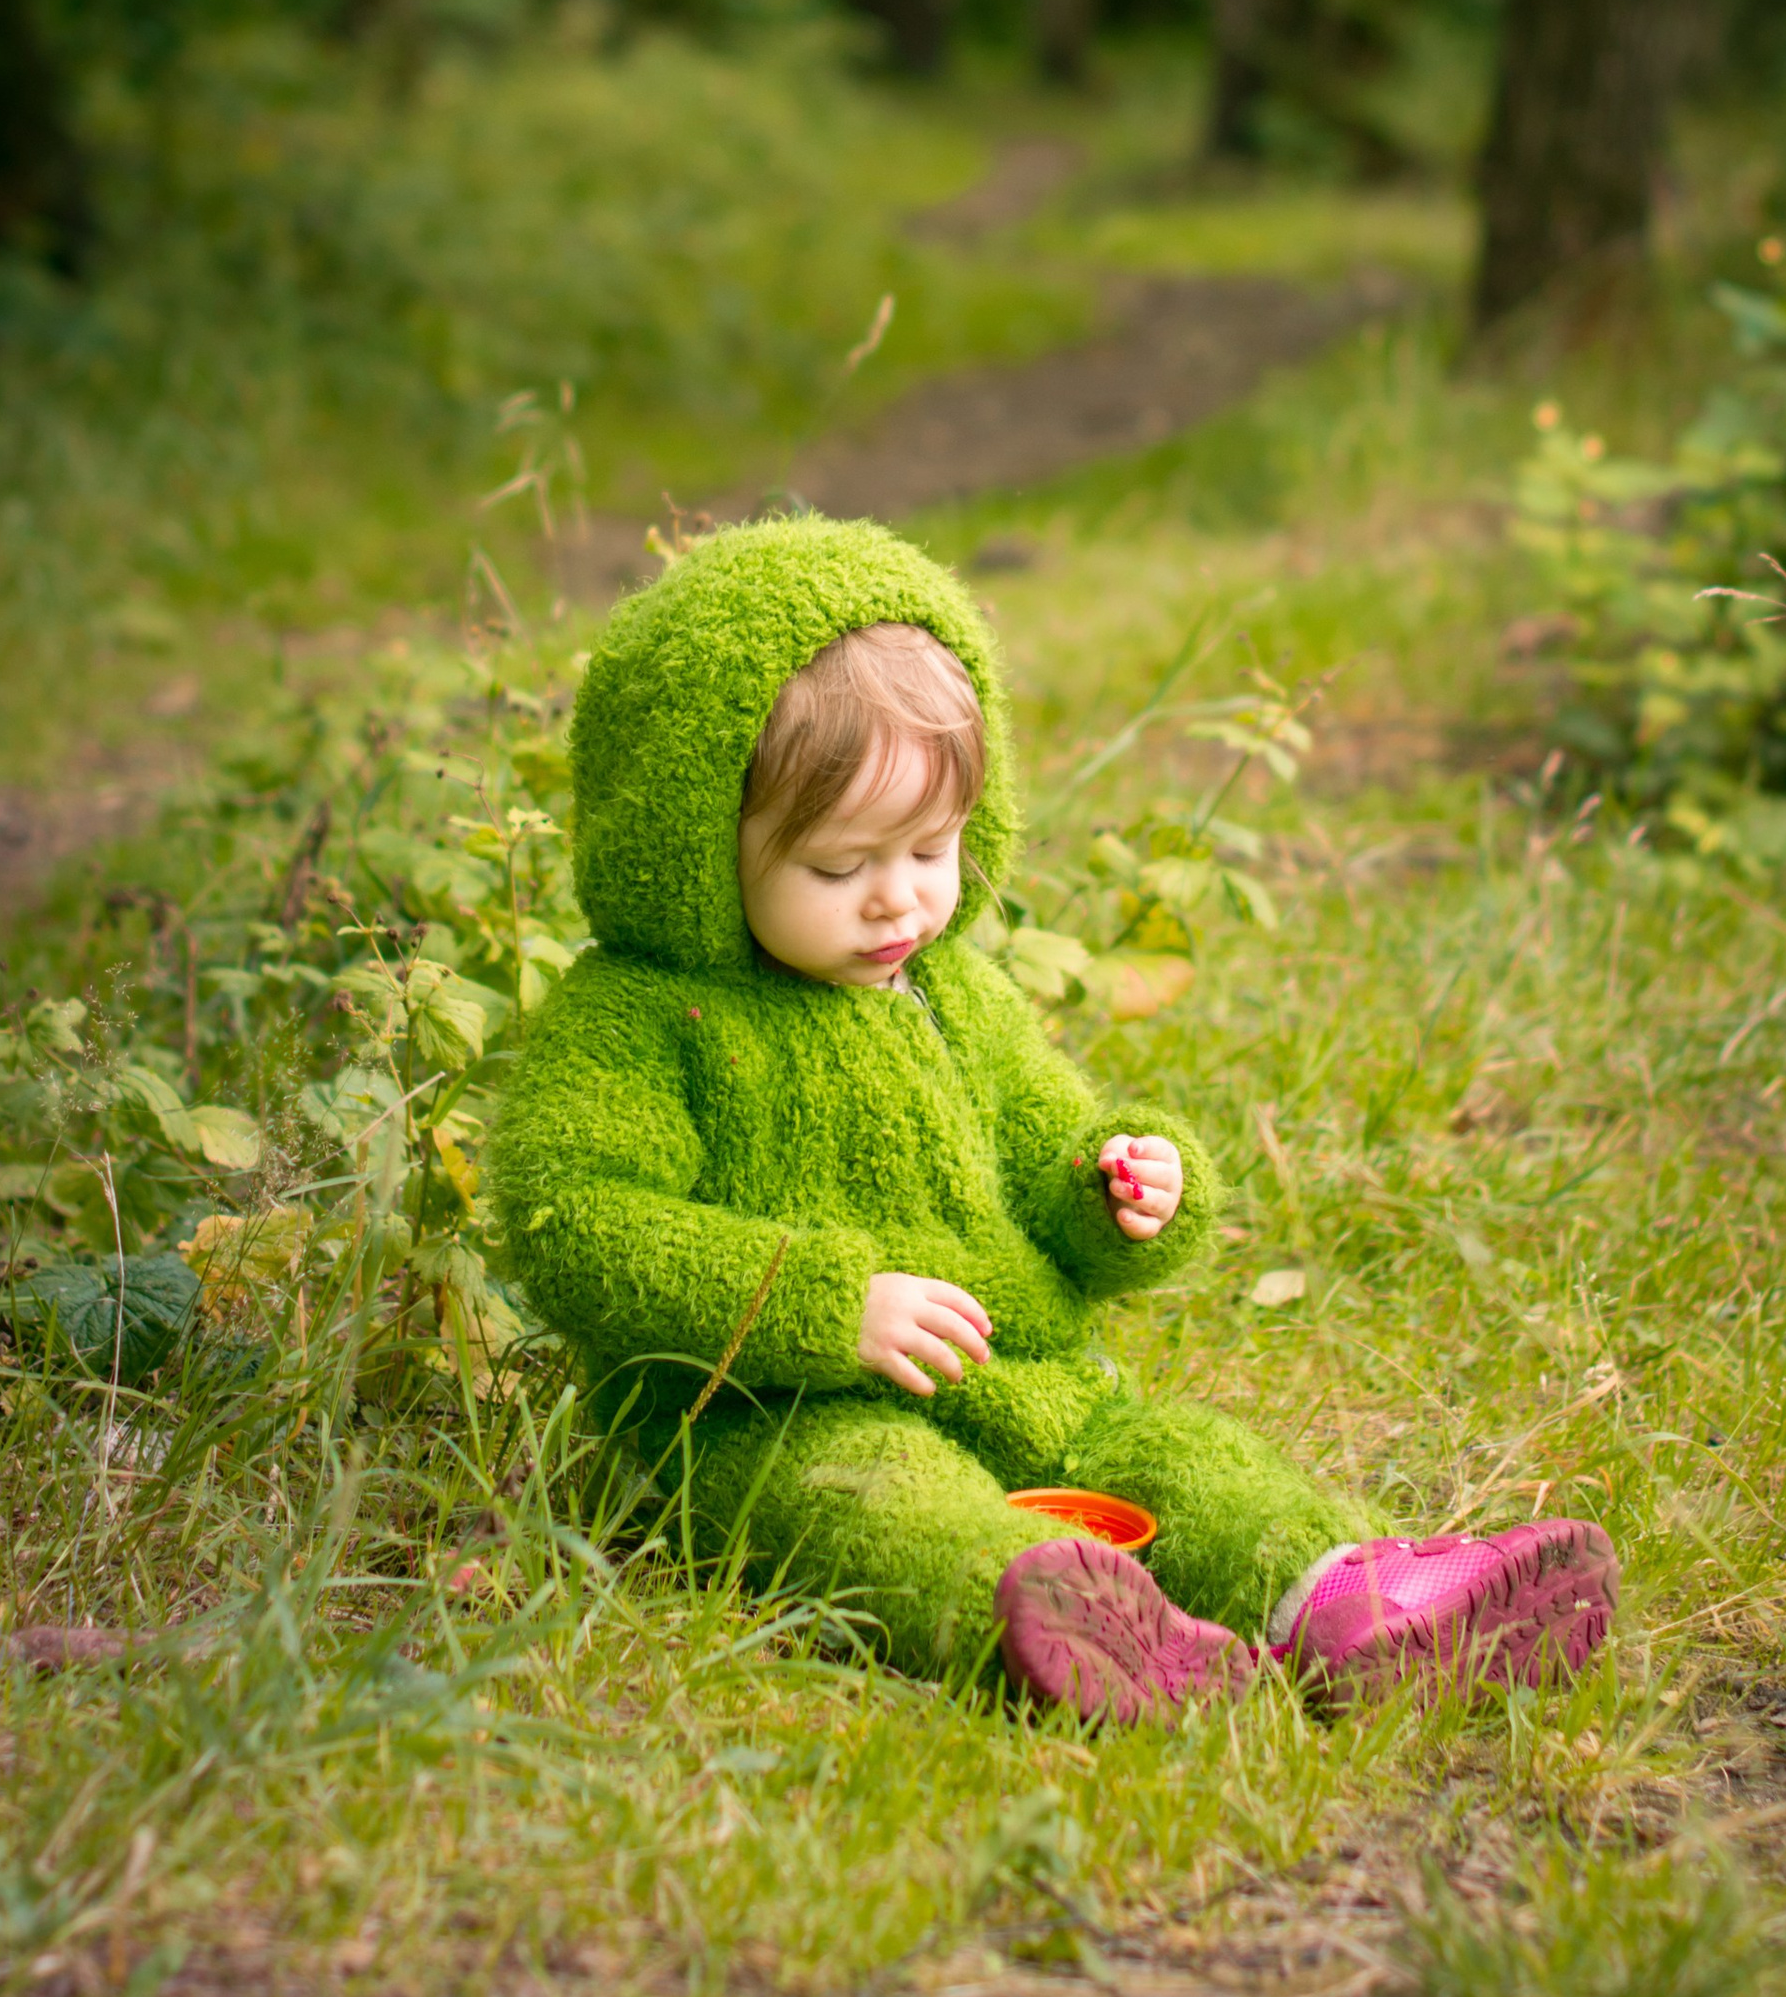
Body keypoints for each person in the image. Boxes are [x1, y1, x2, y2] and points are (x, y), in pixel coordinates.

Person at [487, 515, 1616, 1724]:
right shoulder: (644, 1021)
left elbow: (1046, 1151)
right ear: (695, 843)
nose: (897, 899)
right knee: (880, 1509)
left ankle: (1347, 1603)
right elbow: (574, 1219)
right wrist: (818, 1305)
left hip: (1008, 1375)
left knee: (1171, 1461)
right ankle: (1056, 1634)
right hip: (763, 1414)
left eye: (933, 848)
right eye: (836, 868)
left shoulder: (954, 990)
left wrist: (1117, 1189)